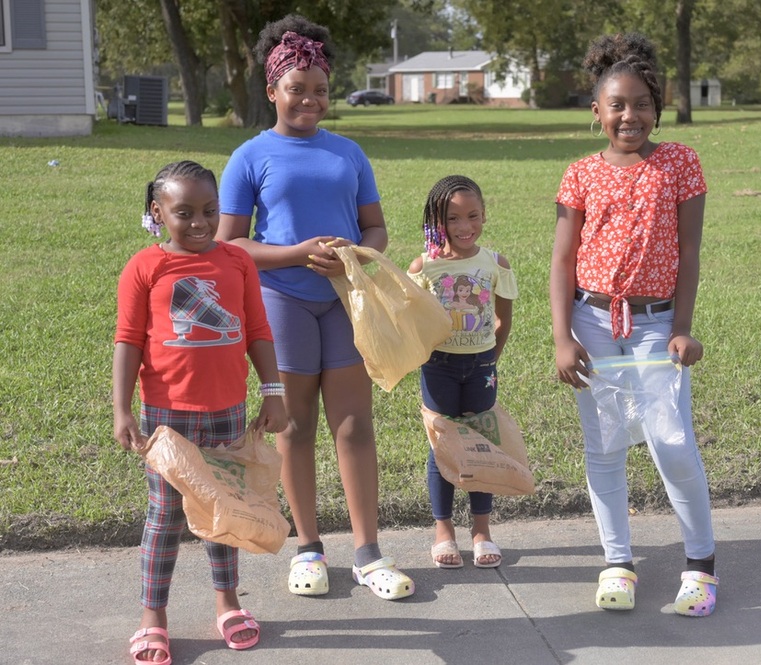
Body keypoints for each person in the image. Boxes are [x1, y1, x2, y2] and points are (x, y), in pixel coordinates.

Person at [216, 14, 413, 601]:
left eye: (321, 89)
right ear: (272, 89)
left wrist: (357, 254)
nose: (310, 99)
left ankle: (368, 553)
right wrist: (296, 254)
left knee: (354, 427)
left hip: (345, 301)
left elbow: (375, 229)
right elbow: (231, 244)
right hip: (283, 303)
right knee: (295, 427)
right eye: (296, 88)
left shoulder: (348, 153)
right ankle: (308, 548)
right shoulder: (250, 156)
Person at [549, 33, 718, 615]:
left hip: (654, 325)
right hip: (592, 323)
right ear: (596, 112)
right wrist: (561, 336)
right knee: (604, 446)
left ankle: (701, 564)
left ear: (658, 108)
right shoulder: (579, 174)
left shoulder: (679, 163)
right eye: (617, 105)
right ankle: (617, 561)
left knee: (671, 441)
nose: (630, 115)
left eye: (642, 103)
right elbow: (563, 260)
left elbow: (690, 253)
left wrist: (683, 327)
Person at [114, 160, 288, 664]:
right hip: (167, 417)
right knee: (166, 517)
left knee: (224, 509)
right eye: (183, 212)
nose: (199, 223)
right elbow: (127, 341)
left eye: (209, 211)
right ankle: (153, 619)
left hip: (228, 413)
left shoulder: (237, 261)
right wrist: (121, 409)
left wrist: (272, 392)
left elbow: (257, 330)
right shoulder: (145, 267)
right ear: (157, 211)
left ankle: (229, 605)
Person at [408, 175, 518, 569]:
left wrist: (490, 359)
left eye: (473, 216)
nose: (464, 226)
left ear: (485, 216)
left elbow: (503, 319)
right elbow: (413, 320)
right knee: (443, 445)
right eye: (453, 219)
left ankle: (481, 531)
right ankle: (443, 532)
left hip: (482, 366)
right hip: (437, 367)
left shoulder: (495, 264)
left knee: (480, 443)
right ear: (437, 222)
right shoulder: (425, 267)